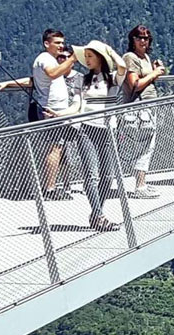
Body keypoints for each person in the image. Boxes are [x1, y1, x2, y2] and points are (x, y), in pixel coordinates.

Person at [0, 29, 80, 199]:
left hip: (56, 110)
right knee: (54, 148)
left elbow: (34, 80)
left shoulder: (48, 60)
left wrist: (9, 83)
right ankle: (50, 188)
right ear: (46, 44)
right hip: (51, 110)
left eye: (62, 43)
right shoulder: (45, 59)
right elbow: (52, 73)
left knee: (58, 148)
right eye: (57, 43)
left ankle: (56, 185)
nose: (61, 46)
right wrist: (73, 58)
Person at [73, 40, 125, 231]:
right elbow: (77, 104)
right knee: (90, 174)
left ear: (100, 58)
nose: (86, 60)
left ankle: (96, 214)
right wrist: (61, 115)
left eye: (90, 56)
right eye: (85, 56)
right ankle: (99, 215)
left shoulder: (112, 79)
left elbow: (122, 66)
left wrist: (109, 50)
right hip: (86, 127)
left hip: (107, 129)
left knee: (107, 174)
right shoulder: (82, 80)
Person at [119, 25, 165, 199]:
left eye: (146, 38)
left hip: (148, 108)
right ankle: (139, 186)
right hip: (137, 109)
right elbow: (135, 85)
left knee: (147, 146)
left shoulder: (144, 57)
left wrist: (154, 70)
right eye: (139, 37)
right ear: (133, 39)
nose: (143, 41)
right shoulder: (130, 57)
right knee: (141, 146)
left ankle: (142, 182)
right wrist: (154, 73)